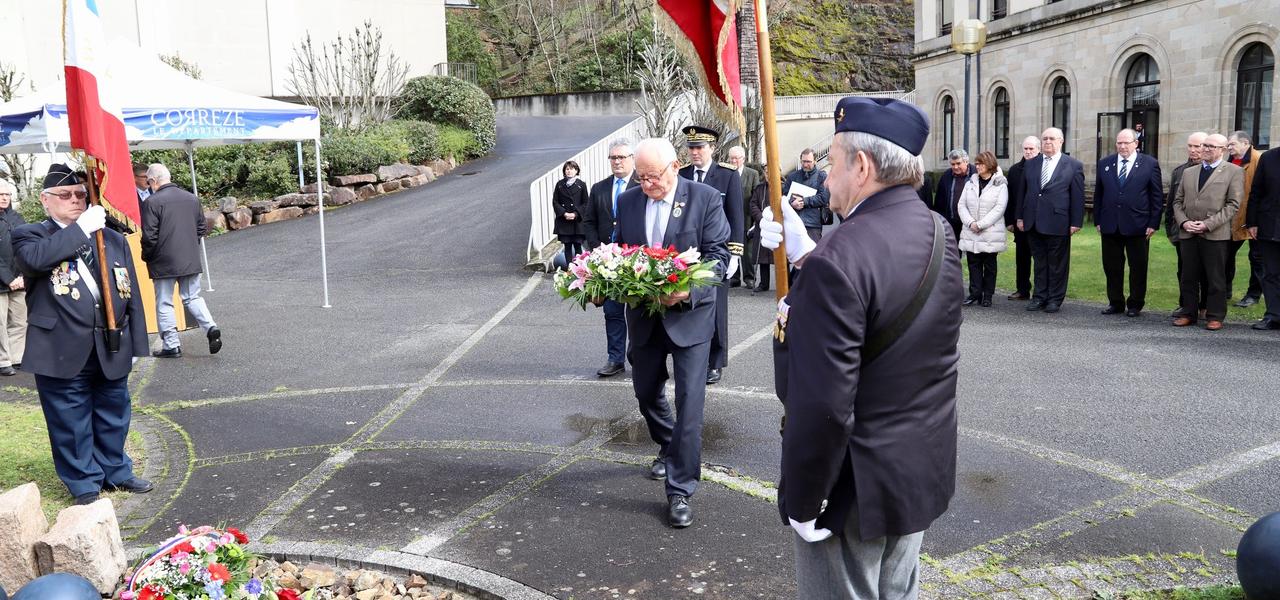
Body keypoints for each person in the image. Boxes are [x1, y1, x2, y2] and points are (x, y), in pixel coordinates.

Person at [760, 96, 961, 599]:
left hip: (851, 488)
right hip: (917, 468)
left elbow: (824, 405)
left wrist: (805, 500)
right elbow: (891, 322)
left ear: (863, 166)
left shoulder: (837, 259)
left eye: (832, 163)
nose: (826, 178)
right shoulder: (938, 229)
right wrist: (808, 258)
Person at [13, 164, 152, 505]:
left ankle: (116, 470)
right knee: (70, 420)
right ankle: (84, 481)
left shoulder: (111, 238)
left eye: (80, 194)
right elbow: (35, 261)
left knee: (114, 413)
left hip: (110, 343)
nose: (75, 200)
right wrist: (81, 229)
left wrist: (136, 342)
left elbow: (130, 291)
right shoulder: (31, 235)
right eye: (65, 195)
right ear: (45, 200)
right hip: (60, 346)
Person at [616, 137, 729, 528]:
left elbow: (718, 258)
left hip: (691, 319)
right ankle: (669, 444)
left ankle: (680, 490)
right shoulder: (628, 201)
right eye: (642, 177)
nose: (648, 185)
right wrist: (601, 280)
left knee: (690, 404)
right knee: (646, 392)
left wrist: (689, 289)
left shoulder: (704, 198)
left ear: (675, 167)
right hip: (645, 318)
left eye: (654, 177)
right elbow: (620, 251)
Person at [678, 126, 742, 385]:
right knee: (686, 305)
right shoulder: (682, 174)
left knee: (716, 310)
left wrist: (735, 253)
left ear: (712, 148)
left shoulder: (727, 175)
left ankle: (715, 361)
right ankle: (692, 357)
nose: (694, 152)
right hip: (688, 253)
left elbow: (736, 215)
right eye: (691, 147)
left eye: (699, 147)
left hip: (717, 252)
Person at [142, 163, 221, 358]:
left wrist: (147, 256)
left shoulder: (152, 202)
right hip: (189, 257)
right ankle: (210, 327)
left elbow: (150, 236)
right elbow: (201, 227)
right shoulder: (192, 198)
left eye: (149, 182)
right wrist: (189, 246)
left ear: (153, 181)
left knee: (164, 302)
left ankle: (171, 345)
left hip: (163, 260)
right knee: (192, 297)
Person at [1172, 133, 1243, 331]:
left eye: (1212, 146)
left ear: (1223, 150)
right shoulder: (1189, 172)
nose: (1206, 149)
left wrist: (1207, 224)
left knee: (1215, 277)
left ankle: (1215, 315)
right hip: (1188, 233)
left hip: (1215, 234)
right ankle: (1188, 313)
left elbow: (1233, 205)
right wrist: (1184, 222)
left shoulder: (1234, 172)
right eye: (1205, 145)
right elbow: (1177, 201)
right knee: (1188, 276)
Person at [1094, 128, 1164, 317]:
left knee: (1138, 267)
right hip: (1110, 225)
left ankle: (1135, 304)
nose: (1122, 146)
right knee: (1112, 267)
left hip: (1138, 225)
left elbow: (1156, 196)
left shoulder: (1149, 164)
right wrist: (1098, 220)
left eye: (1126, 142)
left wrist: (1153, 223)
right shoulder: (1105, 163)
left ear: (1136, 143)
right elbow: (1099, 194)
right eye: (1119, 142)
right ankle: (1115, 302)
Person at [583, 140, 638, 377]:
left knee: (638, 312)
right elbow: (589, 222)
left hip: (635, 260)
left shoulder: (642, 184)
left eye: (622, 157)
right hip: (608, 262)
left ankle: (639, 356)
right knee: (612, 312)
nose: (617, 162)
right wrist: (597, 250)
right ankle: (615, 359)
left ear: (632, 158)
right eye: (613, 157)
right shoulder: (599, 188)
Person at [1018, 127, 1085, 314]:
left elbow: (1077, 196)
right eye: (1045, 138)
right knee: (1039, 262)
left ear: (1061, 141)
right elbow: (1023, 192)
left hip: (1058, 221)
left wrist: (1076, 222)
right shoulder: (1031, 164)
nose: (1048, 142)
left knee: (1057, 264)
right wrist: (1020, 217)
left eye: (1052, 138)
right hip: (1033, 221)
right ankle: (1039, 297)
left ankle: (1055, 299)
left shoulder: (1073, 165)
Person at [1166, 132, 1209, 316]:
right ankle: (1186, 304)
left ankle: (1205, 305)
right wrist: (1171, 231)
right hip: (1183, 231)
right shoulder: (1179, 171)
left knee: (1207, 272)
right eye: (1190, 146)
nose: (1193, 150)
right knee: (1184, 271)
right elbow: (1171, 202)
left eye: (1197, 146)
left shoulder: (1216, 170)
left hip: (1208, 230)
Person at [958, 151, 1008, 307]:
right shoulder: (970, 183)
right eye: (977, 163)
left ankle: (988, 295)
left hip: (990, 231)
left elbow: (999, 208)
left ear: (990, 165)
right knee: (973, 263)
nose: (977, 166)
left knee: (989, 265)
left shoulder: (1000, 185)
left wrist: (981, 224)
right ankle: (975, 293)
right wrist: (971, 223)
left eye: (981, 163)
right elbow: (961, 205)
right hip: (971, 230)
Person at [1227, 131, 1265, 308]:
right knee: (1225, 255)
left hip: (1254, 219)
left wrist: (1254, 220)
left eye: (1232, 144)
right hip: (1232, 217)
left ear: (1245, 143)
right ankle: (1224, 291)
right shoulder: (1231, 160)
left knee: (1256, 258)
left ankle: (1253, 295)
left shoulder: (1258, 159)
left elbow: (1260, 192)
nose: (1229, 147)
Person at [1246, 146, 1280, 330]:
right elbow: (1256, 192)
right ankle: (1274, 316)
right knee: (1271, 273)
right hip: (1270, 225)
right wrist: (1252, 222)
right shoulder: (1268, 158)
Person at [1004, 137, 1039, 300]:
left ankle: (1040, 293)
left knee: (1040, 259)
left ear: (1038, 149)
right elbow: (1010, 198)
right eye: (1026, 149)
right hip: (1020, 223)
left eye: (1031, 149)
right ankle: (1022, 289)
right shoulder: (1014, 170)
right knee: (1022, 258)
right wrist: (1009, 221)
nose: (1028, 152)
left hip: (1039, 222)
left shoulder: (1043, 167)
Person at [0, 178, 27, 376]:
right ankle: (3, 360)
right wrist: (9, 278)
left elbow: (26, 247)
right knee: (0, 323)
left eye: (7, 194)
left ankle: (17, 357)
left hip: (19, 279)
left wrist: (22, 275)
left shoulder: (18, 218)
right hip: (3, 281)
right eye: (0, 194)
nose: (4, 198)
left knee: (19, 320)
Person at [727, 145, 760, 289]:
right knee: (731, 248)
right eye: (731, 158)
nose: (734, 161)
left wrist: (754, 219)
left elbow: (756, 197)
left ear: (743, 159)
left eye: (736, 158)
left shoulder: (752, 174)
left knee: (748, 251)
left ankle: (749, 277)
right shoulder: (726, 173)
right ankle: (734, 277)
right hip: (730, 217)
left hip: (746, 216)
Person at [782, 148, 830, 242]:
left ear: (815, 161)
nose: (805, 164)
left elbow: (823, 198)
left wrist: (804, 201)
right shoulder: (792, 176)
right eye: (803, 161)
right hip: (793, 221)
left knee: (812, 250)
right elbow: (785, 195)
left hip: (812, 224)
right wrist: (792, 202)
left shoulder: (822, 176)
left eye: (808, 162)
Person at [932, 149, 976, 245]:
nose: (955, 167)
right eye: (953, 164)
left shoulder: (976, 174)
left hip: (972, 224)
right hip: (952, 223)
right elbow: (939, 202)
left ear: (966, 161)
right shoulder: (946, 176)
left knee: (972, 253)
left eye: (958, 163)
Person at [552, 160, 590, 267]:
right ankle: (569, 269)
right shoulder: (560, 185)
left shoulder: (581, 185)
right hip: (564, 221)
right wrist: (564, 213)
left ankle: (580, 268)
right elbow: (555, 202)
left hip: (577, 221)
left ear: (576, 170)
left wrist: (575, 214)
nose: (569, 171)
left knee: (578, 245)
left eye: (572, 169)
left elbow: (586, 202)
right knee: (567, 246)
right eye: (567, 169)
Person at [747, 173, 778, 293]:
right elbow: (753, 204)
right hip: (762, 224)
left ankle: (786, 283)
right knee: (763, 256)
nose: (768, 174)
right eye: (766, 171)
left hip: (777, 225)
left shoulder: (783, 186)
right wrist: (760, 217)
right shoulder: (759, 188)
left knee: (780, 255)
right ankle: (764, 283)